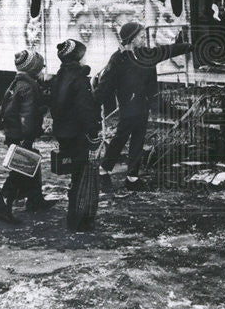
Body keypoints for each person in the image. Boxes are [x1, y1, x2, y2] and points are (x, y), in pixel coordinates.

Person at [94, 21, 192, 190]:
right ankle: (103, 170)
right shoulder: (118, 58)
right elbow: (106, 83)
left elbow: (167, 51)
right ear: (131, 39)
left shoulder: (145, 53)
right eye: (140, 35)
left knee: (138, 139)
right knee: (121, 137)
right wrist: (94, 103)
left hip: (142, 103)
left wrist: (189, 46)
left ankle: (132, 178)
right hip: (128, 105)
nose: (143, 38)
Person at [0, 49, 56, 224]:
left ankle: (35, 200)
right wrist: (28, 136)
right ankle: (2, 207)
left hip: (14, 133)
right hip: (21, 134)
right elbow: (26, 115)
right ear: (33, 69)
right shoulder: (28, 87)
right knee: (20, 170)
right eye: (41, 68)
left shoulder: (17, 83)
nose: (43, 71)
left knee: (32, 164)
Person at [49, 38, 101, 230]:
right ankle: (78, 220)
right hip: (79, 135)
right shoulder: (79, 79)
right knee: (82, 176)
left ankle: (75, 216)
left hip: (64, 133)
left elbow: (55, 107)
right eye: (83, 54)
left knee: (75, 176)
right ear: (77, 57)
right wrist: (94, 132)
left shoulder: (59, 77)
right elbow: (85, 110)